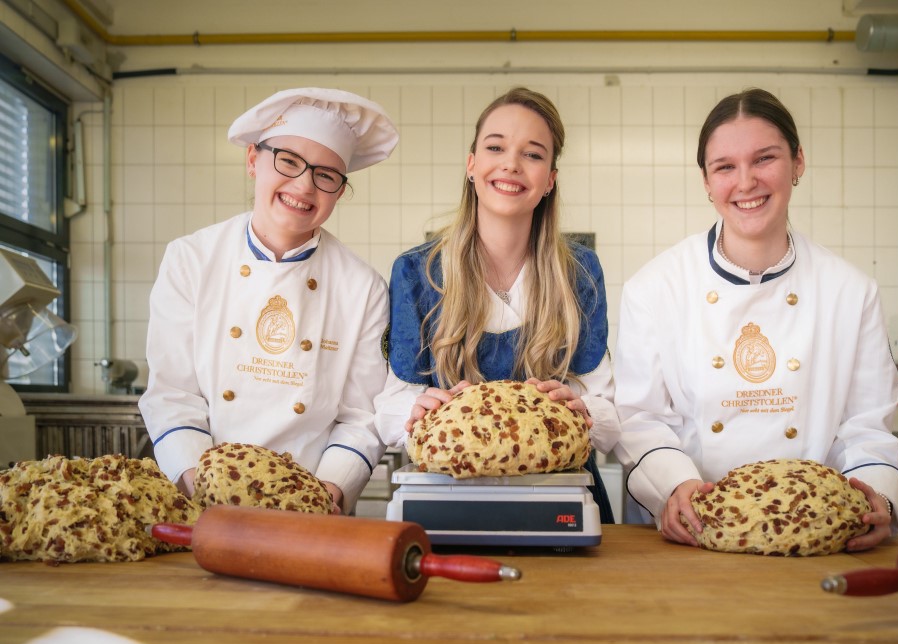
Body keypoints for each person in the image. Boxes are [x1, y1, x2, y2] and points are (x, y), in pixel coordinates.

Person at [613, 87, 898, 549]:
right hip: (691, 530)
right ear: (707, 182)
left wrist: (879, 502)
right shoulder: (654, 287)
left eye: (764, 159)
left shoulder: (851, 291)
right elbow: (639, 417)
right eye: (725, 167)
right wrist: (674, 488)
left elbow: (866, 426)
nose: (745, 182)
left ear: (798, 163)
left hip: (814, 535)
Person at [139, 88, 398, 514]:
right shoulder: (191, 259)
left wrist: (327, 492)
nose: (303, 186)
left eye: (326, 175)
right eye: (289, 161)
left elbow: (360, 416)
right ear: (253, 160)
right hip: (202, 503)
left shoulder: (362, 287)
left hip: (309, 510)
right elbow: (173, 393)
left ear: (338, 190)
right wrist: (197, 484)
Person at [374, 87, 619, 523]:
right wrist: (414, 411)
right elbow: (394, 404)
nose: (510, 163)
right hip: (447, 496)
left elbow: (606, 402)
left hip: (559, 496)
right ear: (472, 165)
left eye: (533, 154)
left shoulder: (579, 273)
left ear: (550, 180)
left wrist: (586, 410)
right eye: (496, 147)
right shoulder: (417, 273)